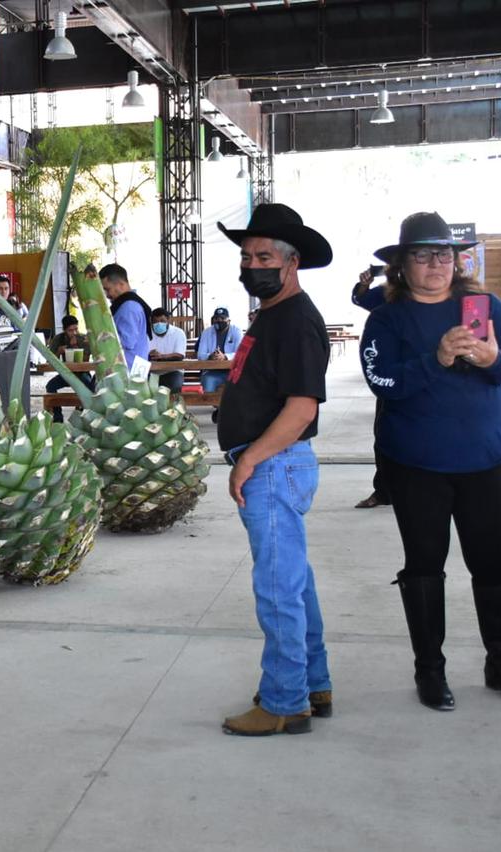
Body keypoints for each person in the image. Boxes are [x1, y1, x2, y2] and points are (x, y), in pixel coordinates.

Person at [360, 211, 501, 712]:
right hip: (416, 466)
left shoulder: (482, 306)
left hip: (483, 461)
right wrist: (435, 359)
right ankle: (430, 670)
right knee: (424, 567)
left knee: (496, 565)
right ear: (401, 265)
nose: (436, 264)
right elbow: (382, 383)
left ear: (457, 261)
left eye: (445, 254)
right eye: (422, 255)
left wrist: (490, 361)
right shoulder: (387, 319)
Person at [213, 203, 334, 737]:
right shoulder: (273, 316)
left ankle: (285, 702)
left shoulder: (297, 322)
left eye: (264, 255)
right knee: (294, 581)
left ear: (292, 263)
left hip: (274, 465)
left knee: (278, 588)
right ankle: (313, 681)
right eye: (246, 255)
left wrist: (250, 460)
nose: (252, 264)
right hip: (270, 465)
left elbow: (302, 408)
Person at [352, 267, 392, 509]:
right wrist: (364, 284)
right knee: (385, 436)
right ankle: (384, 491)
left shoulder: (457, 297)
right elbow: (362, 298)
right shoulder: (392, 292)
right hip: (394, 378)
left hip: (438, 378)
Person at [97, 263, 151, 368]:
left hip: (127, 370)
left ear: (121, 284)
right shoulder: (128, 304)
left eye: (107, 289)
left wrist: (100, 338)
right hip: (133, 367)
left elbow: (127, 342)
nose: (107, 294)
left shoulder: (128, 307)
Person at [45, 315, 94, 422]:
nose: (74, 333)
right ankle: (58, 416)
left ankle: (85, 414)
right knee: (50, 386)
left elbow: (86, 360)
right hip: (66, 374)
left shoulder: (83, 339)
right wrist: (59, 351)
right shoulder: (58, 339)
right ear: (64, 330)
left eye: (76, 329)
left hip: (82, 374)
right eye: (70, 330)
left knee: (90, 387)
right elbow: (50, 361)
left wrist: (77, 347)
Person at [195, 307, 243, 392]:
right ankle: (212, 404)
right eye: (216, 318)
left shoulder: (236, 331)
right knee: (207, 382)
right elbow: (200, 355)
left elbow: (241, 354)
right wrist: (210, 356)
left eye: (222, 318)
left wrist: (225, 357)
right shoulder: (207, 332)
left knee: (241, 385)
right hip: (212, 371)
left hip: (232, 371)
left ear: (229, 320)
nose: (219, 320)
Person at [148, 308, 187, 393]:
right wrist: (149, 355)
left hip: (172, 371)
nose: (158, 324)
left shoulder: (178, 333)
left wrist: (162, 356)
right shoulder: (147, 334)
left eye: (162, 321)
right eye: (155, 321)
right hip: (152, 371)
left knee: (174, 386)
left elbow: (179, 356)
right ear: (151, 322)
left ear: (168, 320)